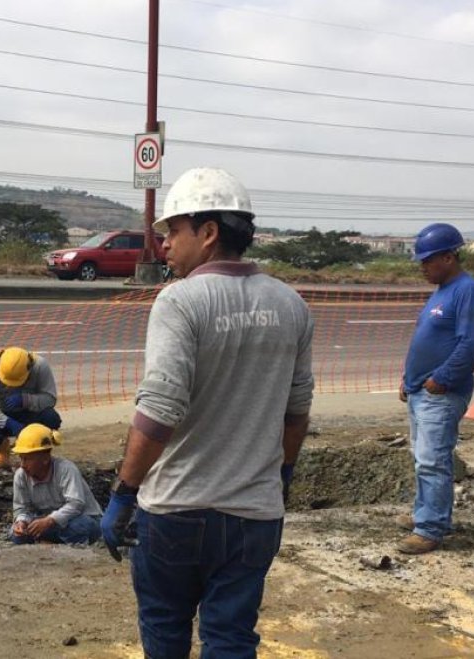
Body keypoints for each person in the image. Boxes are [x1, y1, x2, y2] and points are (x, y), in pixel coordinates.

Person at [99, 168, 315, 657]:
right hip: (254, 516)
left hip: (177, 509)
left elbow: (159, 410)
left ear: (209, 232)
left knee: (166, 627)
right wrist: (281, 472)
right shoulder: (291, 304)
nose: (164, 246)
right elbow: (297, 410)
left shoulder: (180, 300)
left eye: (174, 231)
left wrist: (124, 492)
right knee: (231, 638)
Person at [397, 223, 474, 555]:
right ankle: (427, 513)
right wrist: (408, 379)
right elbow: (430, 339)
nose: (423, 268)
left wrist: (442, 379)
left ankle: (431, 528)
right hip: (421, 390)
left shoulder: (468, 291)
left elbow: (470, 344)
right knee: (422, 459)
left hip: (440, 393)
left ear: (449, 257)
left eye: (428, 261)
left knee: (432, 460)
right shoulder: (441, 292)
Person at [8, 424, 102, 545]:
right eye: (21, 458)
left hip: (84, 519)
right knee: (15, 534)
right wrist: (21, 522)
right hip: (48, 523)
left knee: (78, 527)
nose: (22, 464)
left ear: (45, 458)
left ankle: (66, 548)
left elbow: (76, 504)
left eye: (27, 459)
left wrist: (50, 520)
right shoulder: (21, 476)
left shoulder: (66, 469)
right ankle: (49, 543)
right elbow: (21, 508)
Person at [0, 346, 61, 468]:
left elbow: (50, 399)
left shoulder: (40, 366)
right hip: (3, 414)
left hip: (31, 413)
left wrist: (26, 400)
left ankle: (35, 454)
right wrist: (8, 423)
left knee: (51, 419)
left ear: (29, 368)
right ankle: (3, 450)